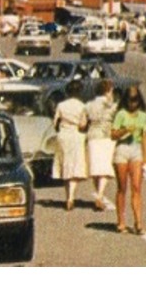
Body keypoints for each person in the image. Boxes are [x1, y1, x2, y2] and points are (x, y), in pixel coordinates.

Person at [111, 84, 146, 235]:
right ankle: (121, 221)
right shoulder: (121, 114)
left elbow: (145, 135)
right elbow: (113, 134)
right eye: (130, 100)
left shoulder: (142, 115)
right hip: (122, 150)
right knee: (122, 187)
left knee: (137, 187)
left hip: (136, 150)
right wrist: (124, 130)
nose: (132, 104)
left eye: (135, 100)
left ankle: (138, 222)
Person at [51, 80, 89, 210]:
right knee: (74, 166)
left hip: (63, 135)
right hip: (76, 135)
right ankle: (71, 197)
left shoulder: (61, 105)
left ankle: (68, 196)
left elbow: (55, 121)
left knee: (65, 164)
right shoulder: (82, 106)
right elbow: (83, 124)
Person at [84, 79, 118, 210]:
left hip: (92, 135)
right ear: (108, 91)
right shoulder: (111, 106)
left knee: (95, 167)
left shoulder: (89, 105)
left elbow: (83, 121)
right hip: (106, 136)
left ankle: (99, 195)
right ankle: (100, 195)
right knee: (105, 168)